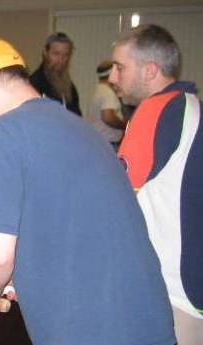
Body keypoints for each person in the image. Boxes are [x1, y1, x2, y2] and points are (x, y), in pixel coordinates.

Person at [0, 38, 175, 345]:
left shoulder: (2, 133)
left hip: (92, 332)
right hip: (148, 320)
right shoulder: (79, 128)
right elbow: (73, 223)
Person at [109, 24, 203, 345]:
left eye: (120, 68)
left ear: (150, 71)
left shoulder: (156, 109)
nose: (111, 77)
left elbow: (115, 200)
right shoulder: (190, 105)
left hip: (171, 287)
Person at [30, 32, 82, 116]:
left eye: (65, 55)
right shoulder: (34, 84)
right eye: (56, 54)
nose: (60, 60)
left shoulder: (69, 88)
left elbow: (76, 117)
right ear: (45, 53)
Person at [87, 60, 126, 150]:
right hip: (108, 144)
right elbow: (108, 117)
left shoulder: (98, 90)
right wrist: (125, 125)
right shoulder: (107, 92)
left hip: (98, 141)